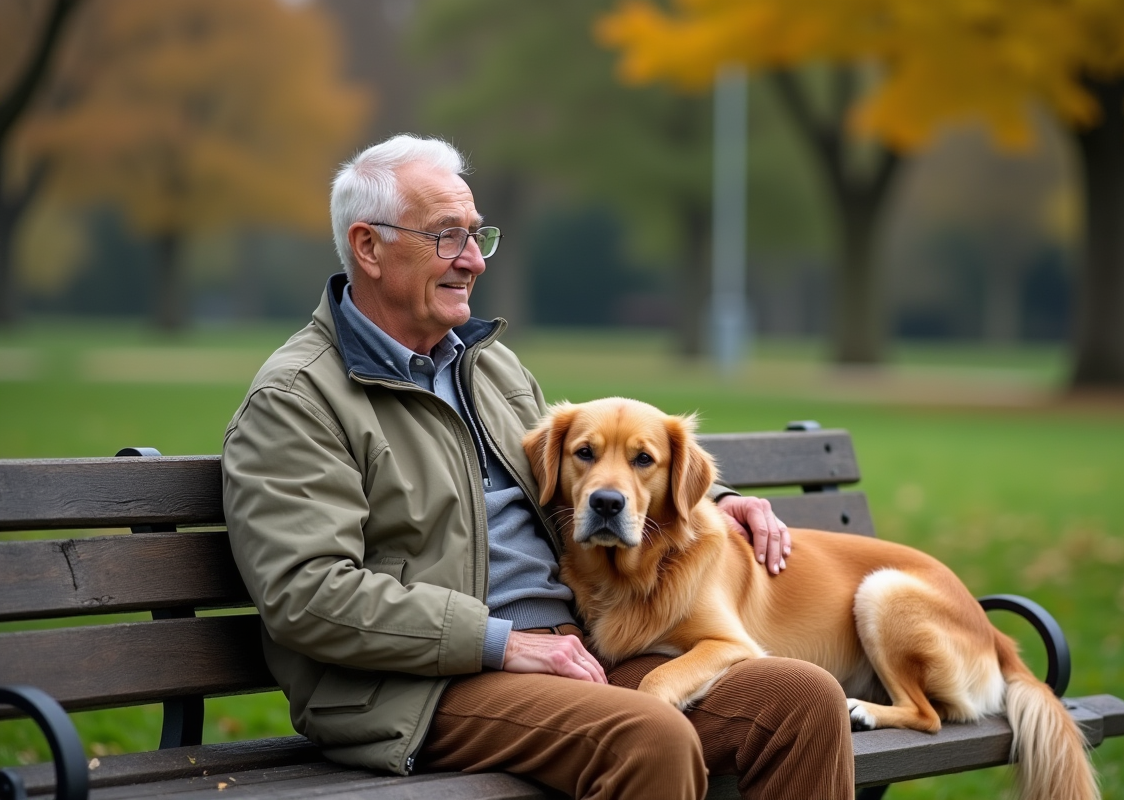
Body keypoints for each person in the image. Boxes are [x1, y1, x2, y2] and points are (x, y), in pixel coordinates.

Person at [223, 133, 854, 799]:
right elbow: (307, 595)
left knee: (802, 700)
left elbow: (595, 466)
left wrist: (714, 502)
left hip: (577, 654)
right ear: (369, 247)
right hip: (421, 692)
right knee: (649, 735)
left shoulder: (485, 364)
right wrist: (502, 644)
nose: (473, 261)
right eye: (446, 237)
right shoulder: (297, 400)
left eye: (476, 235)